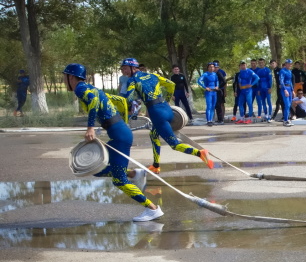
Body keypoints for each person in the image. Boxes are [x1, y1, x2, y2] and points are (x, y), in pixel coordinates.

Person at [63, 63, 162, 222]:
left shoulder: (80, 88)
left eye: (65, 77)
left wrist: (90, 128)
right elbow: (120, 101)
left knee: (118, 180)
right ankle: (134, 173)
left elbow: (94, 101)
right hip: (119, 132)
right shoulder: (90, 87)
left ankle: (152, 209)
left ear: (71, 77)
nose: (64, 80)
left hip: (119, 135)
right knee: (94, 167)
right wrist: (121, 123)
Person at [120, 57, 214, 173]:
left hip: (157, 114)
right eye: (122, 69)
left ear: (133, 67)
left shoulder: (132, 80)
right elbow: (171, 85)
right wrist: (168, 99)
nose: (123, 72)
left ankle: (200, 153)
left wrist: (128, 109)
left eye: (125, 68)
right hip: (167, 109)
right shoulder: (153, 76)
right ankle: (156, 165)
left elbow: (128, 99)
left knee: (174, 145)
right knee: (154, 135)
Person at [198, 62, 218, 127]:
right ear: (208, 68)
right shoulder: (205, 74)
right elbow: (199, 80)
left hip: (214, 92)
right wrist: (205, 87)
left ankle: (211, 120)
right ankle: (208, 120)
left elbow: (217, 81)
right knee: (209, 106)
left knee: (213, 106)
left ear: (214, 68)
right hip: (208, 92)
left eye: (212, 67)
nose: (211, 68)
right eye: (210, 67)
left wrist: (217, 86)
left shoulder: (215, 74)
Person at [255, 58, 273, 122]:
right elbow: (258, 82)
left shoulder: (268, 70)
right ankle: (266, 115)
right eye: (259, 63)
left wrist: (270, 88)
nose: (261, 64)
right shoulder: (258, 71)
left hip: (267, 88)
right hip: (261, 89)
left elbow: (270, 80)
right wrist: (259, 90)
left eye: (262, 62)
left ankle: (270, 115)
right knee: (263, 103)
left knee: (269, 102)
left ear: (264, 63)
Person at [278, 59, 294, 126]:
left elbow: (290, 81)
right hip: (285, 88)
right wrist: (284, 90)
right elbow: (281, 81)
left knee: (289, 104)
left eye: (290, 64)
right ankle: (285, 120)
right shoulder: (282, 71)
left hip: (289, 88)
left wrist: (292, 90)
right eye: (288, 63)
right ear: (286, 64)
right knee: (287, 104)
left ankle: (288, 119)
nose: (290, 65)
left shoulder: (290, 71)